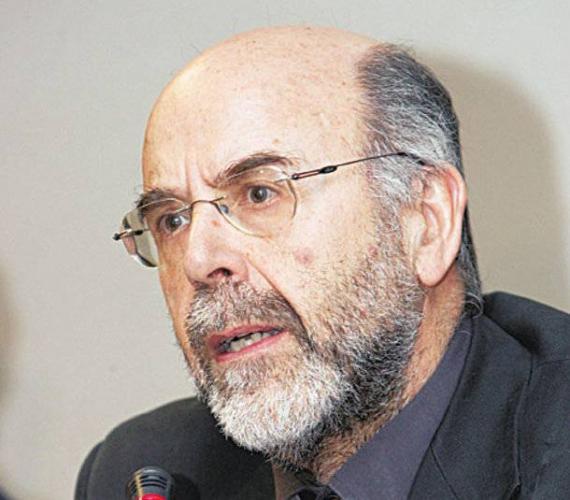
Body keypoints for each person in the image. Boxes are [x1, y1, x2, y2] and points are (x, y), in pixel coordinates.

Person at [76, 26, 570, 499]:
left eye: (260, 193)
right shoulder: (145, 467)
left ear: (426, 219)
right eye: (171, 221)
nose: (199, 261)